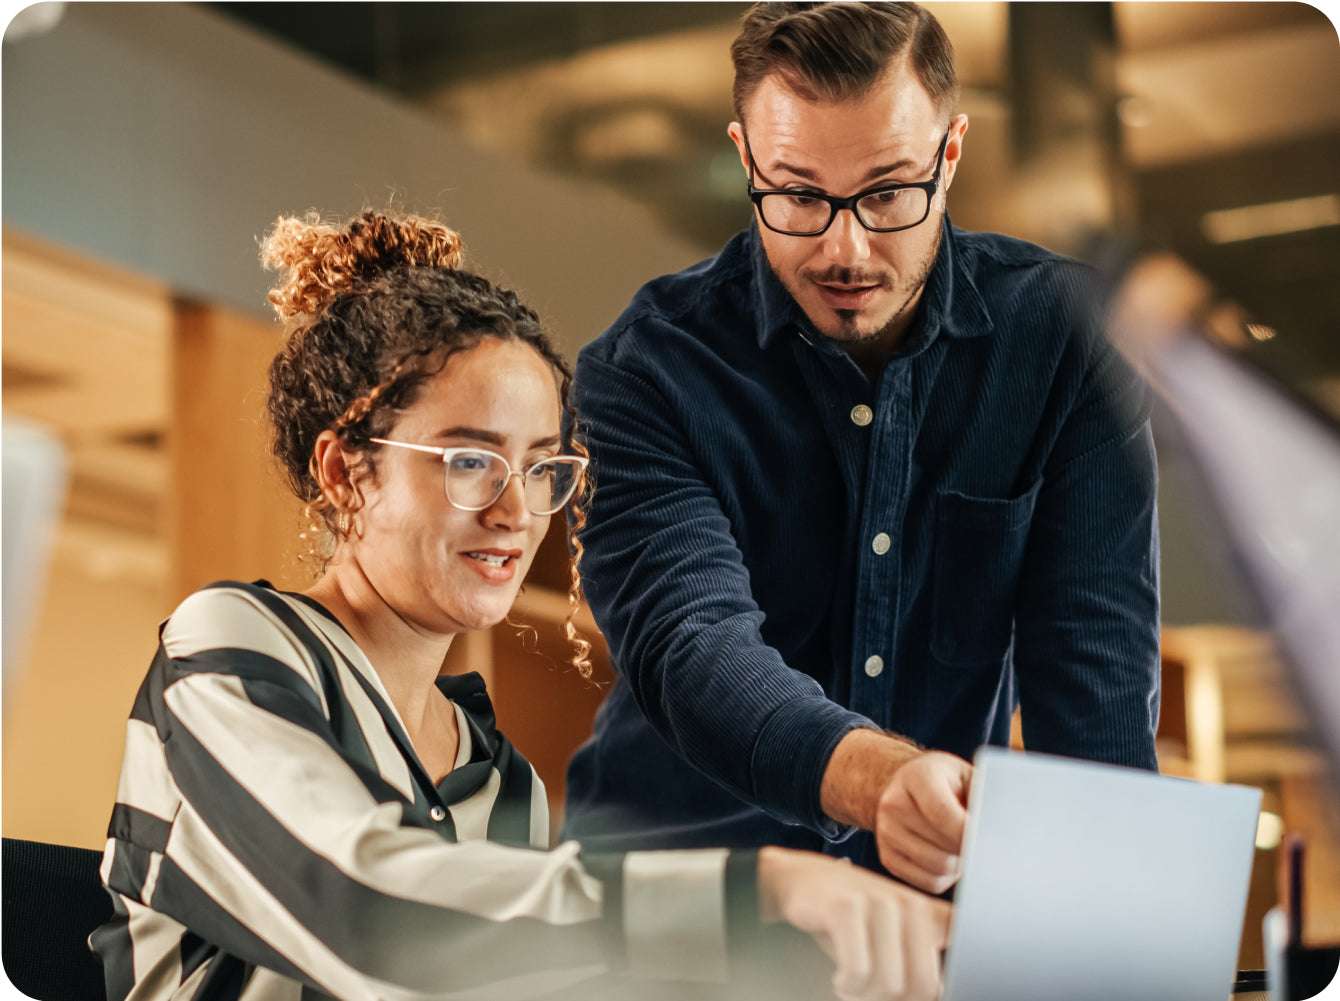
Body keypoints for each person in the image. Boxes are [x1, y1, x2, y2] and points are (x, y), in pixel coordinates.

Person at [92, 209, 953, 1001]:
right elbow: (366, 916)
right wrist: (755, 895)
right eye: (470, 460)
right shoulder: (231, 648)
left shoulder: (498, 775)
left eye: (543, 467)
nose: (515, 511)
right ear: (344, 471)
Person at [561, 0, 1161, 890]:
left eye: (887, 193)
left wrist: (1119, 934)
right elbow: (691, 645)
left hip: (924, 911)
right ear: (744, 158)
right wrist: (879, 779)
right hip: (674, 900)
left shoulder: (1067, 342)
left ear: (950, 154)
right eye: (799, 194)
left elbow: (1096, 692)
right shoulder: (647, 370)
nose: (846, 249)